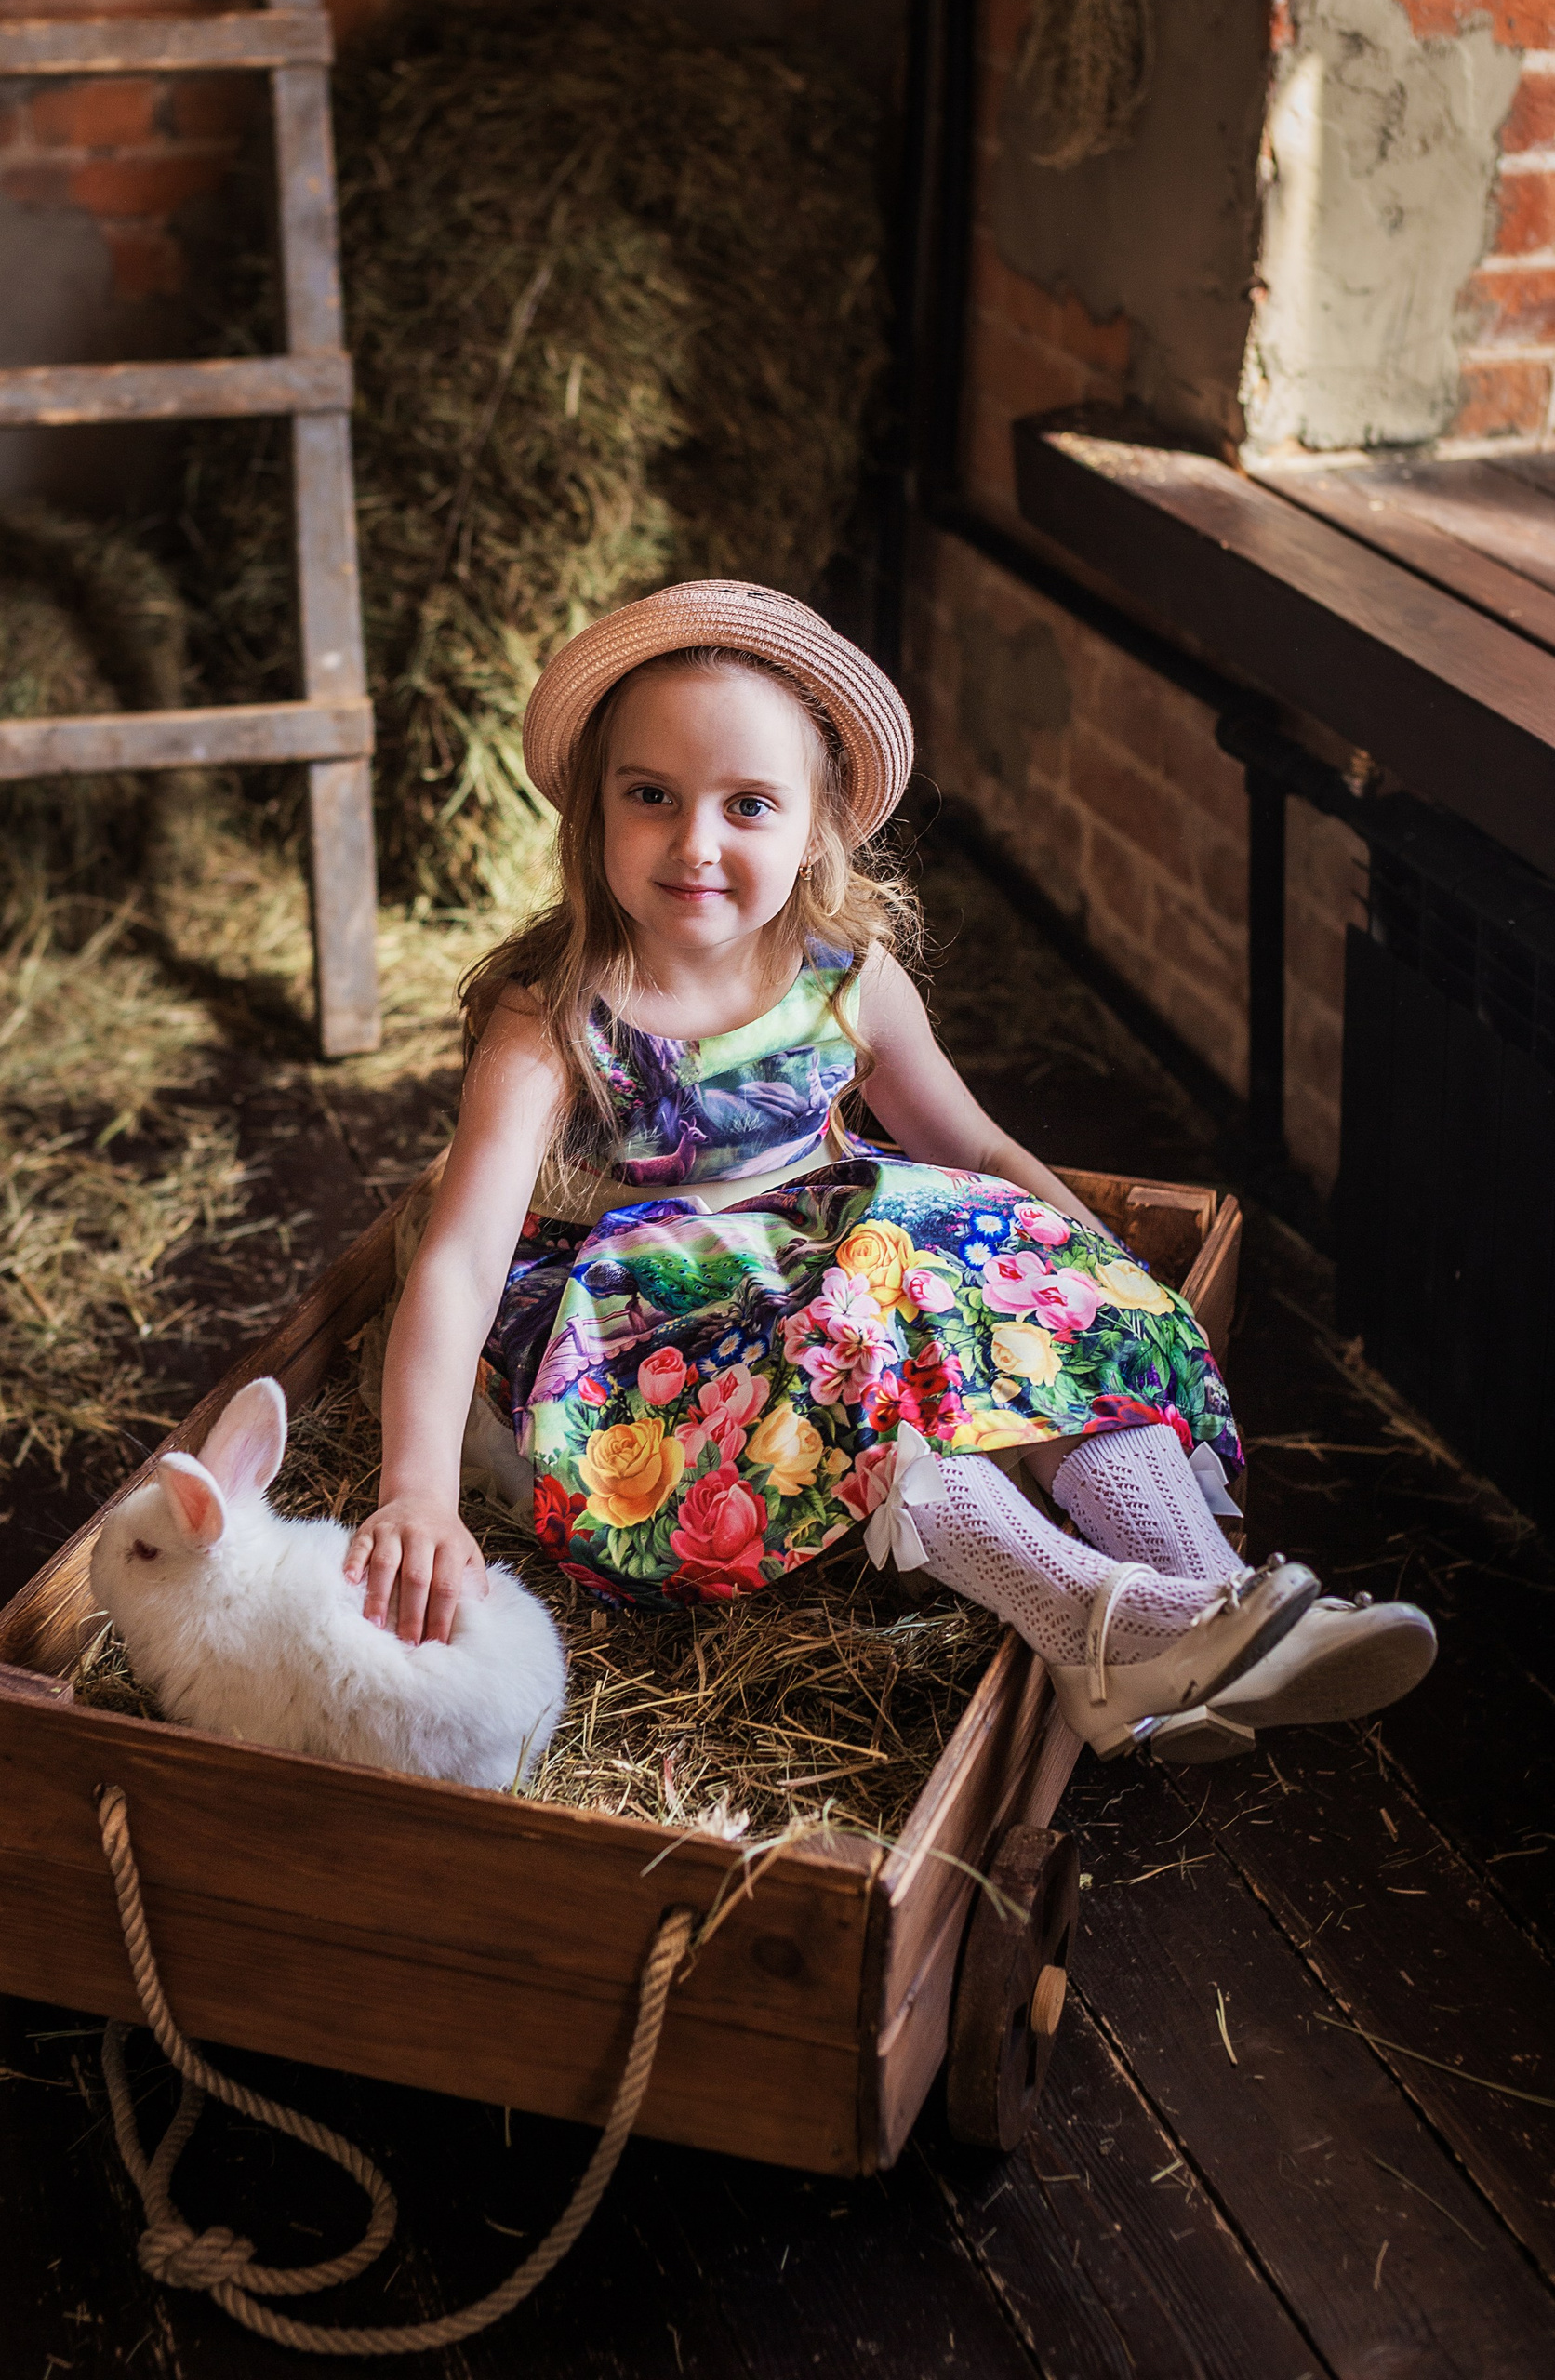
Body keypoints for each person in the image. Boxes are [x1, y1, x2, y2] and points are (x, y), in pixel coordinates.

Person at [346, 580, 1435, 1762]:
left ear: (815, 828)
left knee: (1016, 1297)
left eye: (747, 805)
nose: (696, 843)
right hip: (645, 1335)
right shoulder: (554, 1018)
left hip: (827, 1268)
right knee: (873, 1334)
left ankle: (1215, 1603)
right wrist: (417, 1490)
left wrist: (1095, 1273)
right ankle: (1105, 1626)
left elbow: (976, 1150)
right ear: (592, 812)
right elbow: (460, 1261)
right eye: (651, 796)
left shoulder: (845, 978)